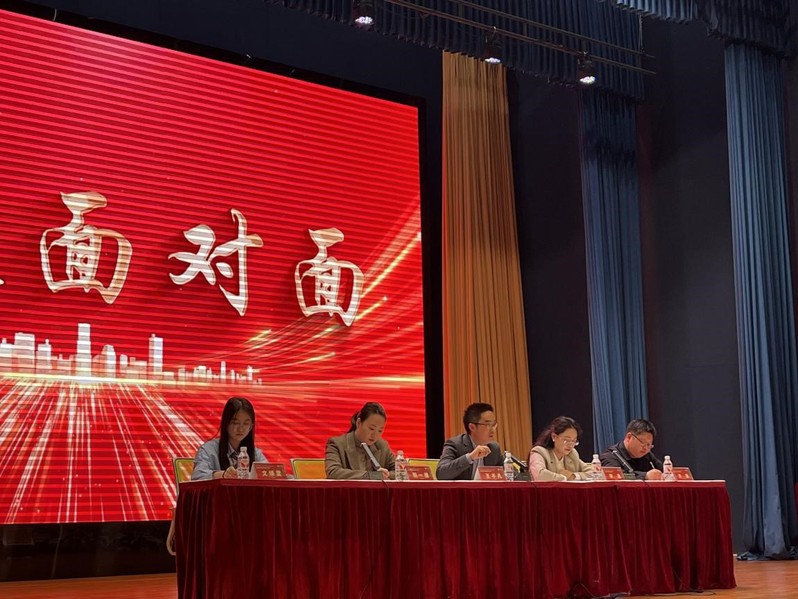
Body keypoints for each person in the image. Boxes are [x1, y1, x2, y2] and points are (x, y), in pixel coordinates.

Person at [191, 396, 267, 480]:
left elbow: (268, 475)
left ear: (251, 426)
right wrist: (223, 475)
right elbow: (197, 476)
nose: (241, 429)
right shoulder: (208, 450)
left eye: (246, 423)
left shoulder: (256, 454)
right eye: (235, 423)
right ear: (226, 423)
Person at [325, 402, 396, 479]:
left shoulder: (382, 445)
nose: (375, 435)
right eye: (371, 428)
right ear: (358, 423)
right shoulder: (337, 444)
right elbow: (333, 472)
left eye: (380, 431)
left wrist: (387, 474)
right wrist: (371, 476)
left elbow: (399, 472)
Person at [436, 402, 503, 480]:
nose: (493, 430)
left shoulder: (494, 448)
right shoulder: (455, 445)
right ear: (472, 427)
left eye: (493, 425)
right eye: (488, 425)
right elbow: (441, 474)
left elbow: (509, 474)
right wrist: (470, 457)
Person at [528, 416, 592, 481]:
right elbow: (539, 476)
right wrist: (564, 478)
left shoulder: (572, 454)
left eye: (574, 441)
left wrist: (574, 476)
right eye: (567, 440)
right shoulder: (539, 452)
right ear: (554, 437)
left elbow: (594, 474)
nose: (570, 445)